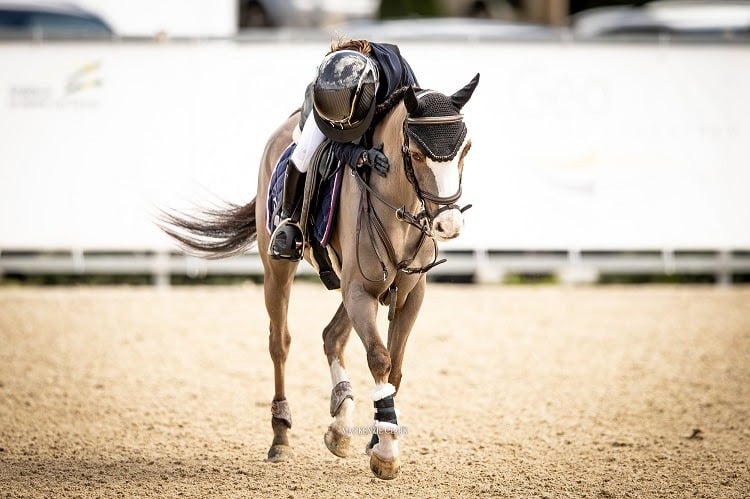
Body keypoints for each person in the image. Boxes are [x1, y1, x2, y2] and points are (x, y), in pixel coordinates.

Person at [268, 38, 419, 260]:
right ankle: (288, 220)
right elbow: (333, 142)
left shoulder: (399, 75)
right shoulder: (326, 85)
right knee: (302, 155)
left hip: (373, 99)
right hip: (330, 102)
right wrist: (359, 155)